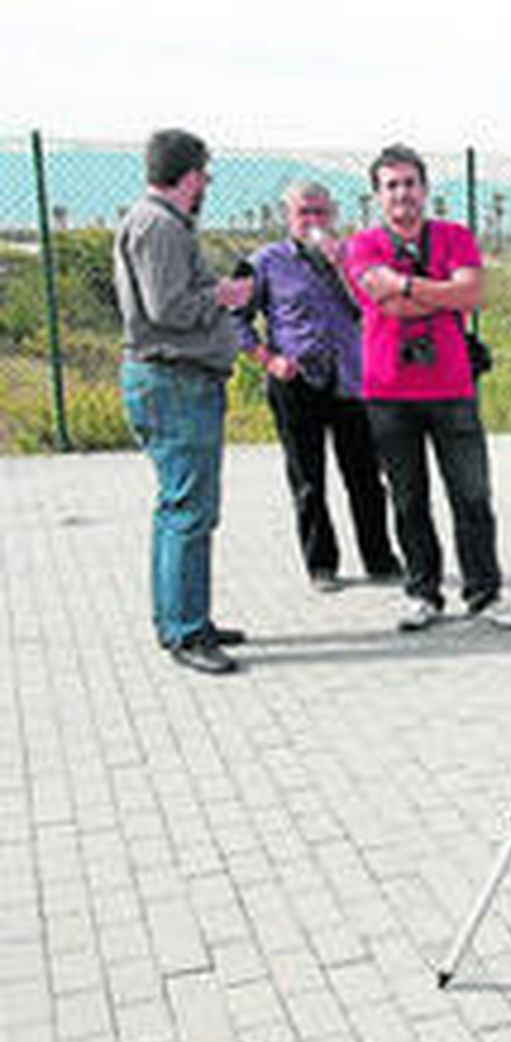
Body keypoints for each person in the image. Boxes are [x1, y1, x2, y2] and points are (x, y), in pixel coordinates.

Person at [345, 144, 511, 633]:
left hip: (451, 388)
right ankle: (423, 593)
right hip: (388, 392)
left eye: (410, 183)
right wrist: (436, 294)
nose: (402, 193)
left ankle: (485, 594)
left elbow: (469, 294)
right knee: (408, 500)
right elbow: (387, 304)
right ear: (378, 195)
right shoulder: (361, 246)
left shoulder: (454, 236)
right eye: (391, 185)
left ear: (425, 189)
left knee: (471, 496)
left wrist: (402, 285)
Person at [113, 128, 253, 675]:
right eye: (205, 176)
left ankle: (186, 616)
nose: (206, 185)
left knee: (184, 507)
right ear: (191, 175)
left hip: (177, 381)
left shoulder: (157, 223)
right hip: (174, 382)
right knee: (187, 510)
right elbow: (167, 306)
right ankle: (184, 631)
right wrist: (224, 295)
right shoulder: (159, 225)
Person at [234, 181, 401, 592]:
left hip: (349, 380)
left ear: (334, 215)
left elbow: (374, 308)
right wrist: (268, 358)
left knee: (365, 476)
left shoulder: (354, 258)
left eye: (321, 213)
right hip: (298, 382)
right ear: (288, 218)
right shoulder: (265, 263)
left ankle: (380, 559)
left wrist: (341, 266)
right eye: (303, 213)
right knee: (308, 479)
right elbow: (234, 317)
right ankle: (321, 564)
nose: (313, 221)